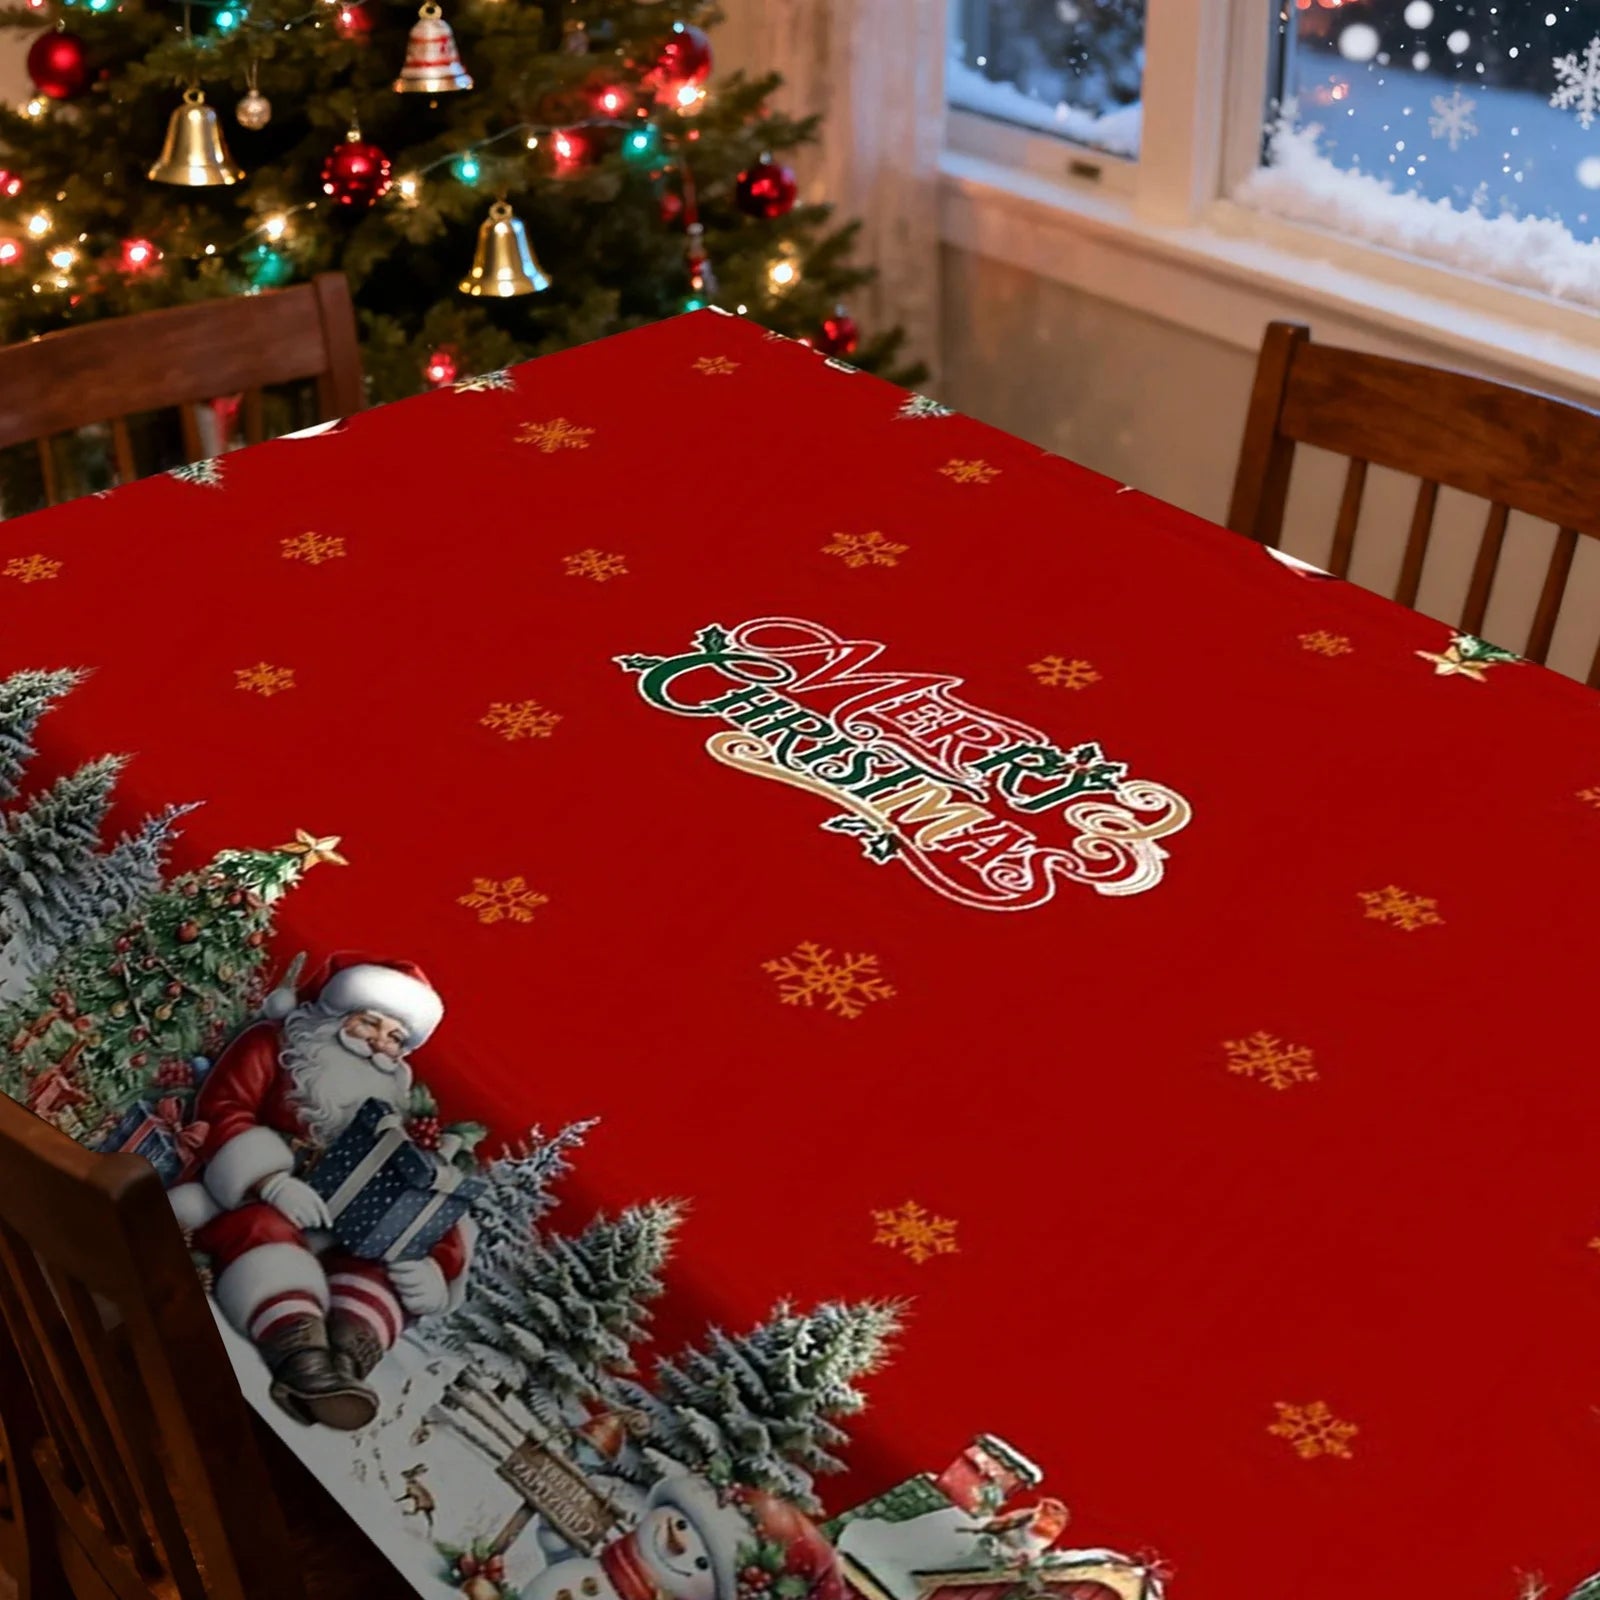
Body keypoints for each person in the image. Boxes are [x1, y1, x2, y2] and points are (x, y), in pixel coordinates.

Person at [167, 952, 472, 1430]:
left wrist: (438, 1266)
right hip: (240, 1199)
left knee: (383, 1260)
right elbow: (224, 1107)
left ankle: (345, 1362)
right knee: (262, 1231)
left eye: (394, 1039)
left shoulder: (390, 1101)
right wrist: (269, 1180)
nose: (378, 1045)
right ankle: (302, 1362)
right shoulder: (276, 1044)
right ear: (335, 1014)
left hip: (337, 1221)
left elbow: (421, 1186)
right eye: (369, 1023)